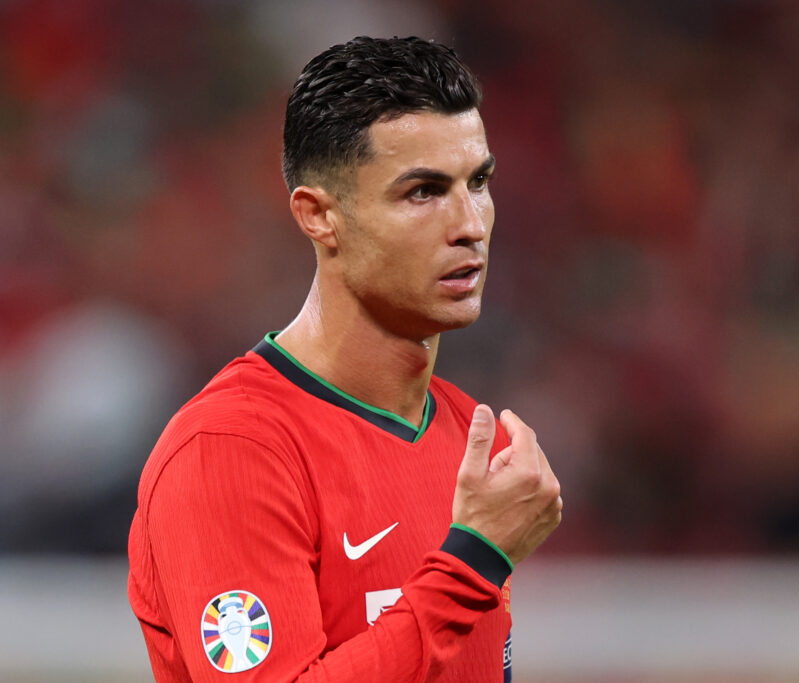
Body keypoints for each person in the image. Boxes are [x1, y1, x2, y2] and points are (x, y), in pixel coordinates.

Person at [127, 36, 562, 682]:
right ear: (320, 217)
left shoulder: (473, 441)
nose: (469, 223)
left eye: (479, 182)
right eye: (423, 191)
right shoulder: (230, 451)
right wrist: (471, 561)